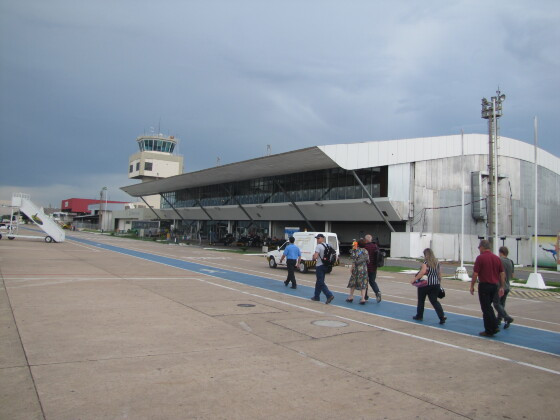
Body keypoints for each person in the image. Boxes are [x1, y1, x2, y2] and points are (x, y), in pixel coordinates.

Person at [470, 240, 506, 337]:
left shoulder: (480, 258)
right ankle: (493, 326)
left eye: (479, 247)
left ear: (482, 247)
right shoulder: (496, 258)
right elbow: (502, 273)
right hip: (494, 286)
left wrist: (472, 285)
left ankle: (491, 328)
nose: (479, 249)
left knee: (486, 308)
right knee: (489, 307)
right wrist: (502, 286)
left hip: (484, 285)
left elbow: (475, 273)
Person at [411, 248, 446, 324]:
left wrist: (414, 279)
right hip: (435, 284)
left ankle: (419, 316)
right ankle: (442, 317)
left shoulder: (425, 263)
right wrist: (438, 283)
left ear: (426, 255)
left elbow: (422, 272)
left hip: (425, 284)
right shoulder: (437, 263)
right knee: (434, 301)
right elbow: (439, 274)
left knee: (421, 300)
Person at [310, 234, 334, 304]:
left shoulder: (319, 246)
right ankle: (316, 296)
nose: (317, 240)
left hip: (320, 265)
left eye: (318, 238)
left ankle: (329, 295)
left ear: (322, 238)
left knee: (320, 282)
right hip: (326, 265)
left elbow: (315, 257)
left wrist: (313, 257)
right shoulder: (328, 245)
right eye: (317, 238)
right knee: (319, 281)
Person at [494, 246, 514, 328]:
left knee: (496, 303)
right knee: (502, 304)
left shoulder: (499, 260)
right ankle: (499, 320)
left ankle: (506, 317)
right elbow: (512, 275)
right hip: (507, 286)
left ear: (501, 252)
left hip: (500, 286)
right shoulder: (511, 261)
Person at [346, 238, 369, 304]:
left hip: (356, 268)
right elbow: (367, 260)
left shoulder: (356, 250)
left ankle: (351, 296)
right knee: (363, 283)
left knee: (353, 282)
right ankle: (363, 298)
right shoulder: (366, 251)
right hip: (364, 269)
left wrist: (352, 267)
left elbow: (354, 259)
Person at [363, 234, 382, 302]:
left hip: (366, 267)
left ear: (366, 240)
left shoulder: (365, 247)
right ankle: (377, 292)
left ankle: (365, 296)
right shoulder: (375, 246)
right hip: (374, 267)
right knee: (372, 281)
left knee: (365, 282)